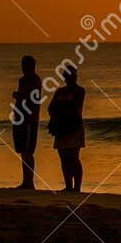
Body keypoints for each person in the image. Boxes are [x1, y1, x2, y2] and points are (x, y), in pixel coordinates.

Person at [47, 64, 87, 193]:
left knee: (74, 157)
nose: (71, 78)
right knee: (64, 157)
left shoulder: (80, 91)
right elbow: (51, 108)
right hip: (61, 127)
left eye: (73, 75)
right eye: (69, 75)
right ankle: (69, 185)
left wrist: (61, 107)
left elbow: (74, 106)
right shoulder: (60, 91)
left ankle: (77, 187)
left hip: (74, 127)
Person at [10, 55, 42, 189]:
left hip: (30, 120)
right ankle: (26, 181)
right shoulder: (22, 80)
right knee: (23, 151)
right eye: (23, 66)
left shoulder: (35, 80)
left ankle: (30, 182)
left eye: (27, 66)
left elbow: (31, 98)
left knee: (28, 151)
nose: (25, 69)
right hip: (20, 118)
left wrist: (18, 95)